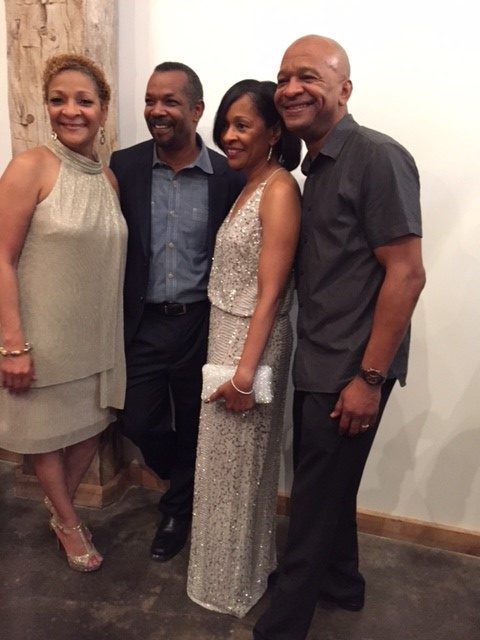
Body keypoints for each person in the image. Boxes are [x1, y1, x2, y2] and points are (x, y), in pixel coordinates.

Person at [253, 35, 426, 640]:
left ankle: (284, 624)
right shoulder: (316, 166)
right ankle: (342, 583)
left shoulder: (376, 157)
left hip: (351, 368)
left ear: (344, 89)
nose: (291, 88)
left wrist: (368, 379)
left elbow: (407, 274)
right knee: (328, 490)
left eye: (308, 76)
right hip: (321, 358)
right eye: (283, 77)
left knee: (311, 503)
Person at [110, 62, 244, 563]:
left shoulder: (227, 176)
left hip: (198, 323)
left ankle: (176, 512)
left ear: (197, 110)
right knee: (136, 420)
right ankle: (180, 476)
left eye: (169, 101)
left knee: (194, 423)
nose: (156, 110)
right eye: (150, 100)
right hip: (141, 322)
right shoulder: (124, 166)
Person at [0, 54, 127, 572]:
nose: (70, 110)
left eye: (83, 100)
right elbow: (2, 257)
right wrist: (13, 344)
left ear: (103, 110)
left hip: (96, 336)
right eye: (58, 100)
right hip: (42, 336)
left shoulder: (108, 179)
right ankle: (71, 523)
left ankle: (62, 513)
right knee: (44, 435)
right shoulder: (30, 166)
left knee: (91, 427)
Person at [187, 79, 302, 617]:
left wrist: (244, 375)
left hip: (249, 345)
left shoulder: (279, 189)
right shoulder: (249, 185)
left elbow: (272, 293)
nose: (228, 136)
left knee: (240, 468)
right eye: (226, 126)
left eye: (242, 125)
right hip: (226, 336)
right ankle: (232, 572)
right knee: (223, 468)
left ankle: (236, 582)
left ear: (274, 133)